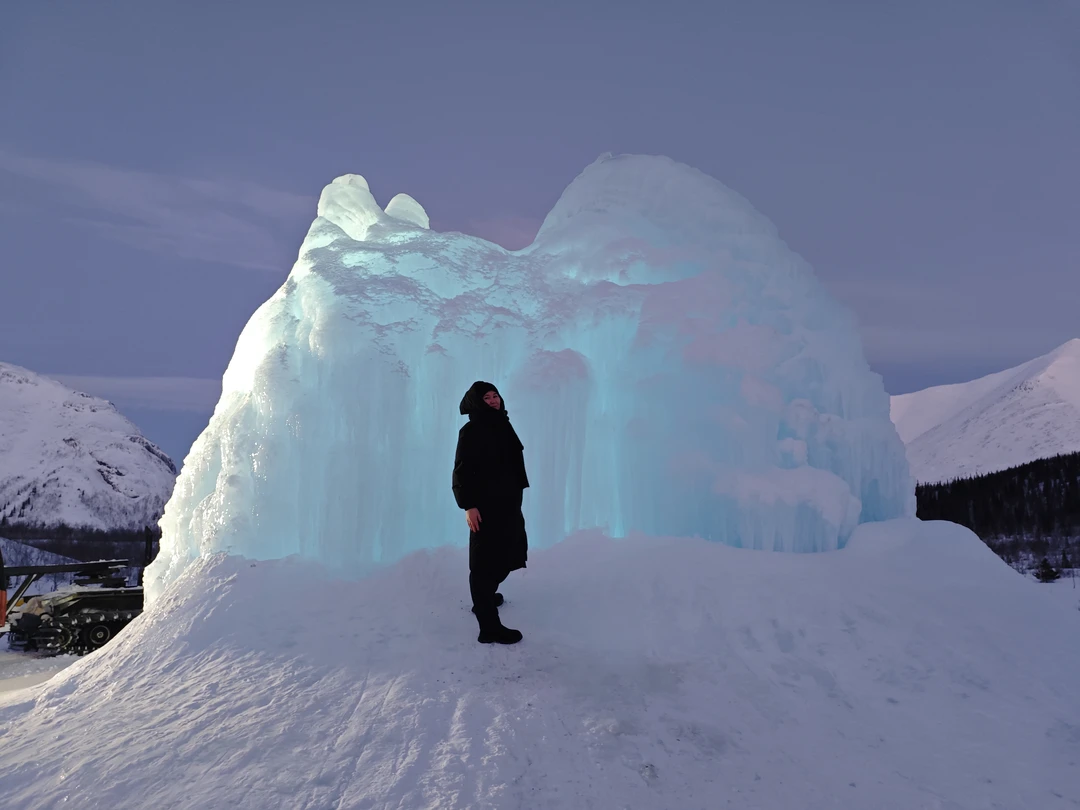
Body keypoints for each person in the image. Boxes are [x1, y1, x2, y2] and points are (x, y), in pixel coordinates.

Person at [452, 380, 529, 644]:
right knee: (484, 563)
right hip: (484, 507)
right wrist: (469, 506)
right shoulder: (472, 430)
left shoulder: (502, 424)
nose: (494, 400)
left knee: (509, 551)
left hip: (507, 504)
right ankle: (489, 627)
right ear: (476, 402)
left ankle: (484, 597)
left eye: (495, 395)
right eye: (486, 398)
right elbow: (461, 471)